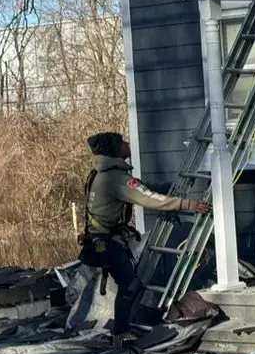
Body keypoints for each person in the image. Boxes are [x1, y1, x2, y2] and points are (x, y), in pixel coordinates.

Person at [81, 132, 206, 339]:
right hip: (106, 243)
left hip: (102, 240)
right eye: (122, 142)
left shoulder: (105, 174)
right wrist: (188, 205)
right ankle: (121, 333)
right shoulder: (114, 178)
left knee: (130, 283)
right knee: (130, 285)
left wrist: (172, 187)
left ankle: (122, 330)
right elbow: (147, 198)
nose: (127, 144)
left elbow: (143, 187)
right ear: (114, 150)